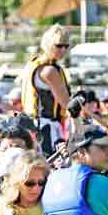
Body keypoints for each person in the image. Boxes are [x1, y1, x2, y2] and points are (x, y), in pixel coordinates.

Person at [21, 24, 70, 155]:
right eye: (59, 45)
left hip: (29, 125)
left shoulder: (34, 63)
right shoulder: (50, 71)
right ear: (48, 44)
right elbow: (66, 104)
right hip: (45, 128)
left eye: (66, 46)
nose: (63, 50)